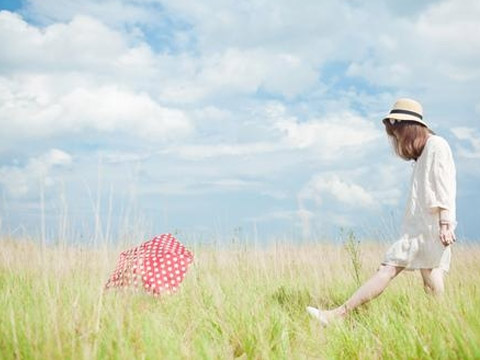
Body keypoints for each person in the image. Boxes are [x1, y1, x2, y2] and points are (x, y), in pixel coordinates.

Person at [307, 98, 457, 326]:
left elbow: (444, 184)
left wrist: (446, 223)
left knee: (391, 269)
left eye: (397, 131)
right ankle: (443, 324)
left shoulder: (437, 145)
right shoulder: (423, 153)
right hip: (420, 227)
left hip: (431, 227)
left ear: (410, 127)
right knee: (429, 275)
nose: (396, 137)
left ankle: (337, 316)